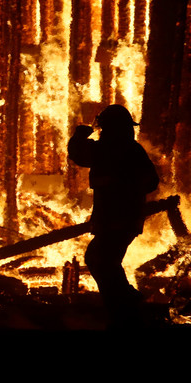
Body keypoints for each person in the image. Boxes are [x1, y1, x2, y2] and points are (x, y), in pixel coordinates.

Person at [68, 104, 159, 328]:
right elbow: (151, 182)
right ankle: (125, 306)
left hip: (117, 221)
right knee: (103, 261)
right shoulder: (125, 149)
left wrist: (80, 134)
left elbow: (79, 153)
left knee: (101, 261)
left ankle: (125, 311)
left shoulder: (114, 150)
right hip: (120, 220)